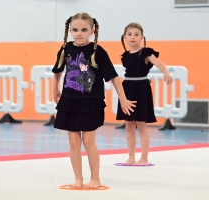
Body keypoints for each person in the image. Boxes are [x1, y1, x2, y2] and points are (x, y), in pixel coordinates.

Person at [52, 13, 136, 189]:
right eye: (75, 30)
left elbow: (113, 77)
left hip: (90, 102)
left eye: (83, 30)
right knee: (74, 142)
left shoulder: (97, 51)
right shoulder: (66, 48)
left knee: (89, 141)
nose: (79, 33)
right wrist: (55, 88)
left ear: (92, 31)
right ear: (70, 30)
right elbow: (58, 70)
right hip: (70, 100)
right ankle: (78, 179)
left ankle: (95, 179)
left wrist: (123, 98)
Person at [116, 22, 173, 165]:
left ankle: (144, 158)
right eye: (129, 34)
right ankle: (130, 157)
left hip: (141, 89)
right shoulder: (125, 56)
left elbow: (160, 64)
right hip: (128, 88)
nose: (133, 37)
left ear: (142, 37)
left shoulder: (146, 52)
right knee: (128, 125)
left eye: (136, 34)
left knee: (141, 124)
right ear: (125, 37)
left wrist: (166, 73)